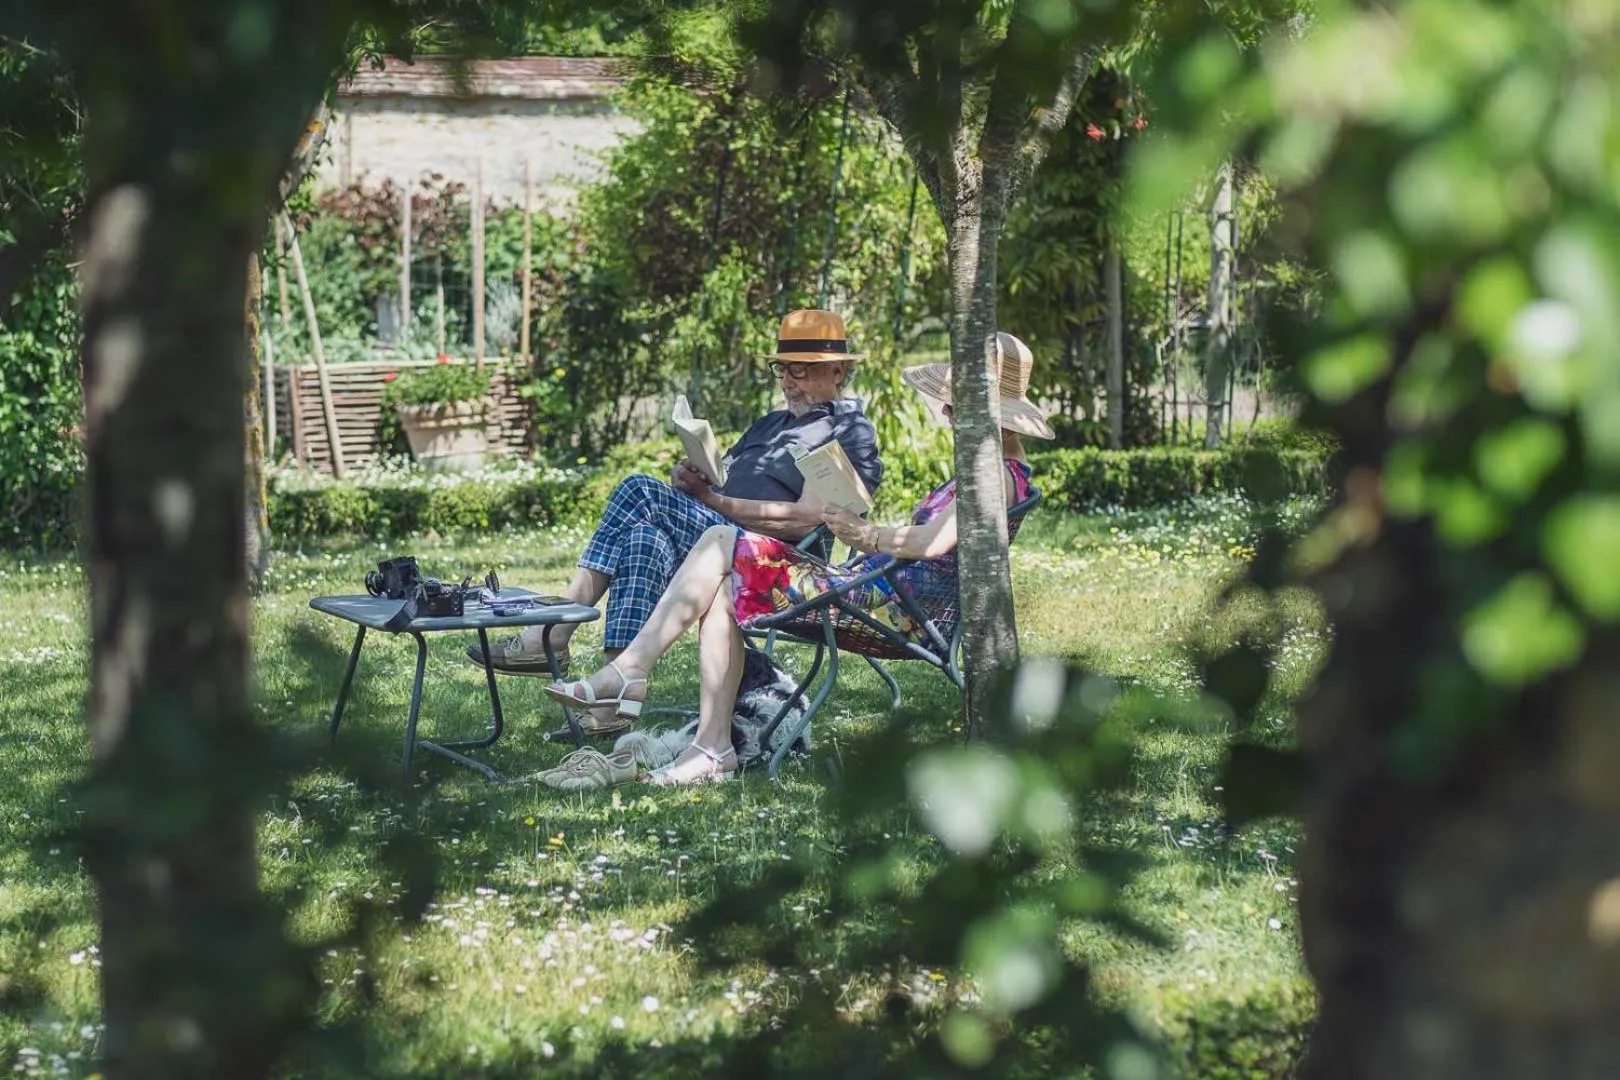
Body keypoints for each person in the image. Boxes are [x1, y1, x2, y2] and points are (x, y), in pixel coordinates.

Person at [544, 332, 1054, 786]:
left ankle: (629, 673)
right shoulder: (992, 471)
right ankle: (710, 747)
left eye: (954, 402)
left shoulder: (997, 476)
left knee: (723, 540)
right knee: (723, 579)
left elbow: (932, 544)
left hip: (888, 605)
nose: (945, 411)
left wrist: (865, 533)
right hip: (877, 588)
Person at [468, 309, 882, 731]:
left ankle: (553, 633)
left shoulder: (849, 431)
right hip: (718, 538)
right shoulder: (771, 424)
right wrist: (692, 480)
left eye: (800, 370)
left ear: (838, 372)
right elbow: (722, 478)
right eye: (782, 369)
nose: (788, 382)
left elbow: (806, 520)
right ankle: (610, 708)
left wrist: (714, 502)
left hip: (776, 565)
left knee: (637, 489)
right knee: (643, 540)